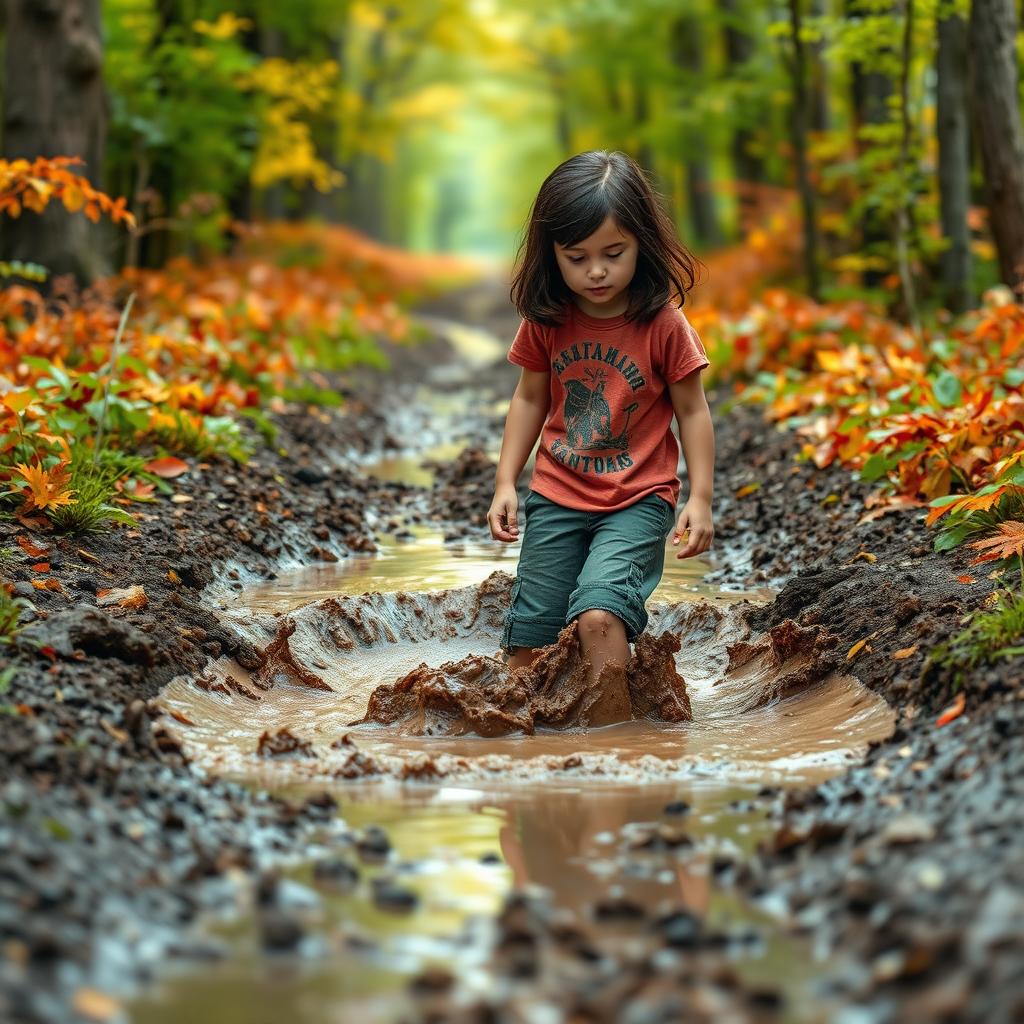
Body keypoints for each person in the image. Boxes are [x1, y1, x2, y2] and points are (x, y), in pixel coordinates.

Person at [487, 150, 715, 699]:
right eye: (576, 256)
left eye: (614, 253)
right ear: (552, 256)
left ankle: (617, 747)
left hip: (638, 499)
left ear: (641, 243)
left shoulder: (662, 322)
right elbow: (529, 399)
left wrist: (701, 498)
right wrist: (505, 483)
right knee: (528, 645)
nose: (595, 271)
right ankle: (532, 749)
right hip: (556, 495)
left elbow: (692, 409)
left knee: (598, 617)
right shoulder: (548, 318)